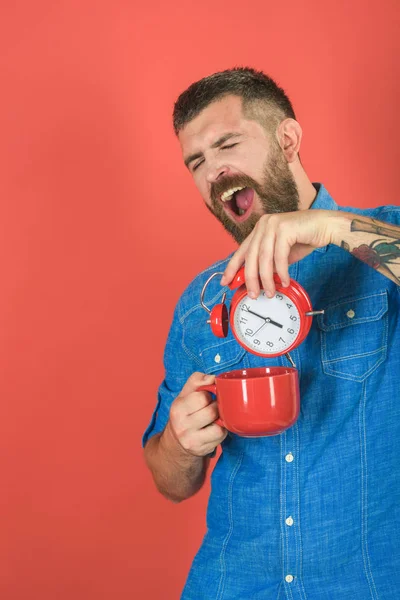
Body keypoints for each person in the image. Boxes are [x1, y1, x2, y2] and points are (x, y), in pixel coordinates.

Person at [142, 67, 400, 600]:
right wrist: (180, 444)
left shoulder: (382, 241)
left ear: (287, 139)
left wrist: (330, 227)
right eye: (197, 162)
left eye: (227, 143)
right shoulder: (202, 302)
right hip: (232, 585)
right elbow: (170, 479)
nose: (214, 170)